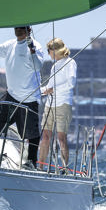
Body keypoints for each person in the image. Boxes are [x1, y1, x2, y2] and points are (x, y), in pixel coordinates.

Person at [0, 26, 45, 169]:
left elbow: (37, 65)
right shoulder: (10, 45)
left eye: (22, 28)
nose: (18, 29)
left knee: (31, 133)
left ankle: (32, 162)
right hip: (11, 95)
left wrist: (31, 49)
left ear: (29, 29)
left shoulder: (35, 46)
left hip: (29, 98)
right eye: (17, 27)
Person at [39, 38, 77, 171]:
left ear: (55, 50)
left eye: (49, 51)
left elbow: (71, 83)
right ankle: (40, 167)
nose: (48, 54)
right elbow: (49, 87)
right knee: (45, 136)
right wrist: (37, 90)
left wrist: (53, 90)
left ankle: (65, 168)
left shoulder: (70, 62)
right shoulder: (54, 66)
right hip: (50, 104)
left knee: (61, 137)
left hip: (63, 103)